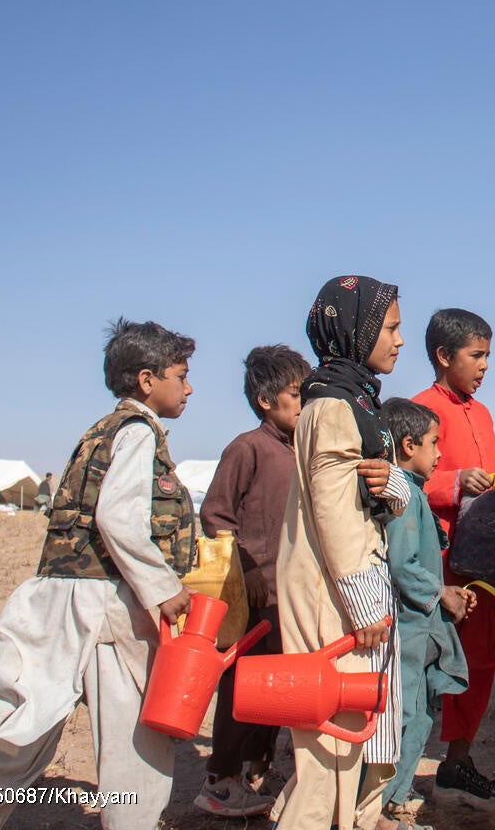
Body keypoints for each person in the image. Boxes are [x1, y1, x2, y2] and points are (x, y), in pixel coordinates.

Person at [0, 319, 200, 830]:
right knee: (135, 747)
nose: (189, 388)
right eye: (181, 375)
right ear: (148, 380)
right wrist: (163, 589)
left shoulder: (98, 431)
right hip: (107, 605)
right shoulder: (137, 432)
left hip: (52, 600)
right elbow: (119, 517)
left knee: (16, 735)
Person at [270, 276, 410, 830]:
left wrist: (393, 482)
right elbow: (335, 518)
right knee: (330, 752)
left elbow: (383, 498)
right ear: (356, 330)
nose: (399, 340)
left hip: (355, 593)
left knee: (358, 742)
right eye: (391, 328)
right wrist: (365, 605)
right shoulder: (332, 407)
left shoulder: (357, 403)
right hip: (339, 599)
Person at [193, 344, 312, 818]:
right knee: (241, 687)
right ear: (266, 401)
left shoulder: (299, 452)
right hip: (255, 598)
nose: (303, 406)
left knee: (277, 689)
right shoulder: (248, 447)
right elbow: (215, 516)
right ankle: (219, 781)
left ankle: (255, 770)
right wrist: (246, 573)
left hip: (291, 597)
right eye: (295, 395)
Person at [410, 308, 495, 809]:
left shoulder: (485, 414)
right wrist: (452, 483)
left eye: (488, 356)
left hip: (484, 564)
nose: (485, 366)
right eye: (476, 355)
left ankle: (456, 762)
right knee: (424, 665)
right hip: (439, 562)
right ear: (443, 356)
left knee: (480, 658)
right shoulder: (418, 411)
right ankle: (396, 775)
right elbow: (401, 481)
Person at [380, 398, 475, 829]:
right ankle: (384, 805)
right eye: (434, 443)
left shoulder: (410, 492)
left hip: (418, 628)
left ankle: (392, 800)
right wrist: (441, 594)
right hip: (410, 630)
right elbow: (403, 565)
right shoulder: (405, 494)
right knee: (408, 719)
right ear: (407, 444)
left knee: (416, 713)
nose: (439, 454)